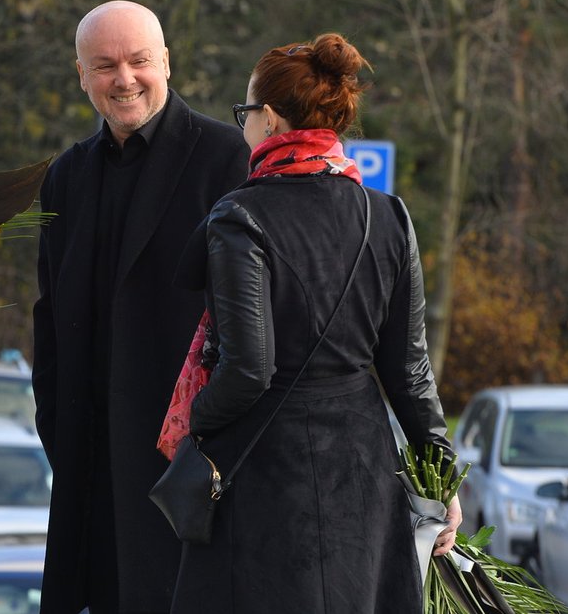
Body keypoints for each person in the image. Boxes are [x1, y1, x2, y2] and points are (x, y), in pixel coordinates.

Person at [170, 34, 461, 612]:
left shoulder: (240, 216)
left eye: (245, 113)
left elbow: (250, 369)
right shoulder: (389, 216)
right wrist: (441, 474)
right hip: (362, 470)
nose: (244, 126)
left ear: (271, 118)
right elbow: (408, 368)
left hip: (265, 470)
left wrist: (192, 427)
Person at [32, 0, 250, 613]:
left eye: (138, 61)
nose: (124, 79)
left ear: (166, 64)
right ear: (81, 75)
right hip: (92, 469)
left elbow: (250, 323)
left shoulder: (227, 158)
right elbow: (49, 317)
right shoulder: (67, 176)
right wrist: (59, 427)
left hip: (189, 468)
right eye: (104, 65)